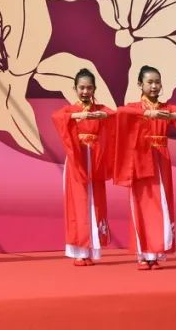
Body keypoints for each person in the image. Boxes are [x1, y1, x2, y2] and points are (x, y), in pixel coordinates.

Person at [113, 65, 176, 270]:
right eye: (149, 82)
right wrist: (147, 113)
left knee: (162, 205)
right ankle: (143, 255)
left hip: (161, 159)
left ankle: (156, 253)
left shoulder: (166, 108)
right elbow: (121, 112)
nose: (154, 86)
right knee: (141, 205)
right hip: (140, 161)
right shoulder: (134, 108)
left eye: (157, 82)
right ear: (140, 84)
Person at [50, 69, 115, 266]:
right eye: (81, 88)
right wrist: (76, 116)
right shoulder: (70, 110)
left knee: (95, 202)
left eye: (89, 88)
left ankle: (92, 250)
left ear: (94, 89)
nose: (85, 91)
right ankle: (79, 251)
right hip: (77, 160)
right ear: (75, 89)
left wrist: (103, 116)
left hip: (95, 160)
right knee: (78, 203)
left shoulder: (100, 109)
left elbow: (116, 116)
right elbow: (57, 117)